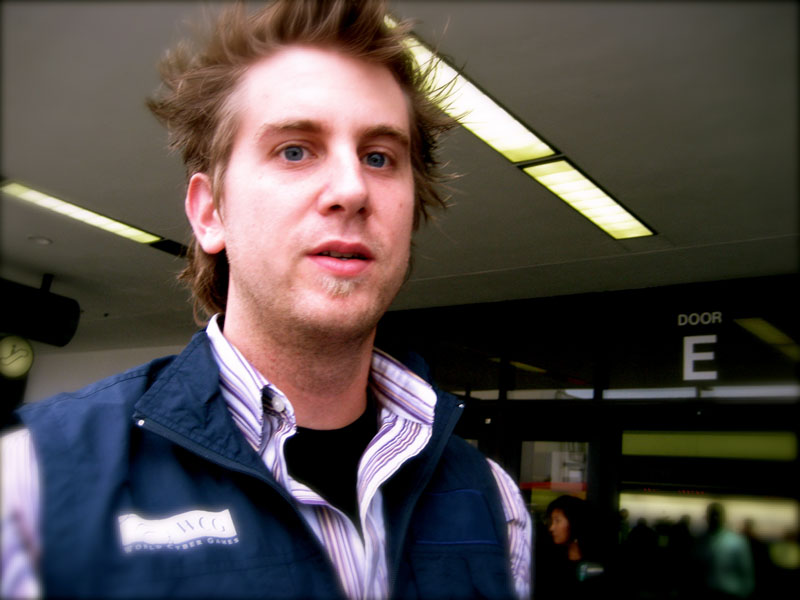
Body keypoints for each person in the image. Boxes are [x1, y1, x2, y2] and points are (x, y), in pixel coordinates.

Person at [0, 1, 531, 598]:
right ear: (210, 213)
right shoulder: (32, 485)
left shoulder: (494, 505)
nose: (352, 188)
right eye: (295, 150)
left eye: (379, 157)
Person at [537, 495, 604, 598]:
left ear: (574, 522)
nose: (552, 528)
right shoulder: (549, 560)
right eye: (552, 521)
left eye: (557, 521)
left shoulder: (597, 561)